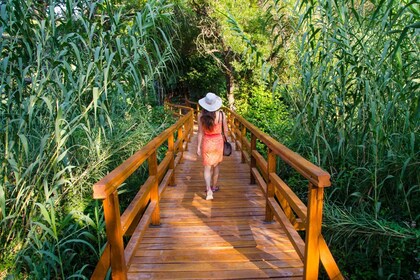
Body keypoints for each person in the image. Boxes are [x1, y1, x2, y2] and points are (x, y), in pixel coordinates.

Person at [197, 92, 229, 200]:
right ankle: (214, 186)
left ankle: (208, 190)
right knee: (216, 166)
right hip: (218, 142)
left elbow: (200, 133)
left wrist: (197, 147)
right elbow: (226, 131)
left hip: (207, 142)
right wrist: (227, 140)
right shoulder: (221, 115)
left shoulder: (201, 115)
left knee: (207, 168)